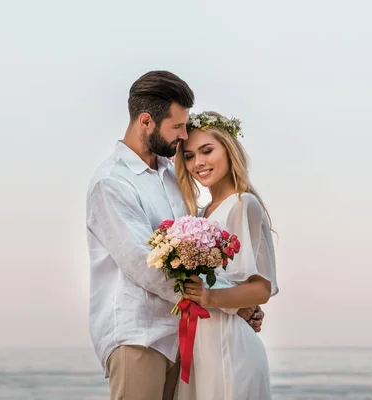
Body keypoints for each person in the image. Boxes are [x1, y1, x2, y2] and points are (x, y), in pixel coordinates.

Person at [85, 72, 265, 400]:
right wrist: (233, 303)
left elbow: (193, 253)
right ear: (146, 122)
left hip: (185, 337)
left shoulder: (171, 175)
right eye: (177, 126)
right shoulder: (112, 183)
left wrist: (236, 298)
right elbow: (145, 265)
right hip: (139, 337)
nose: (184, 136)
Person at [173, 111, 279, 399]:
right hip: (199, 342)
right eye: (190, 156)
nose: (199, 163)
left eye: (207, 151)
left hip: (229, 343)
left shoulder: (244, 204)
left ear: (228, 149)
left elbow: (261, 287)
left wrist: (210, 298)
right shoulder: (199, 212)